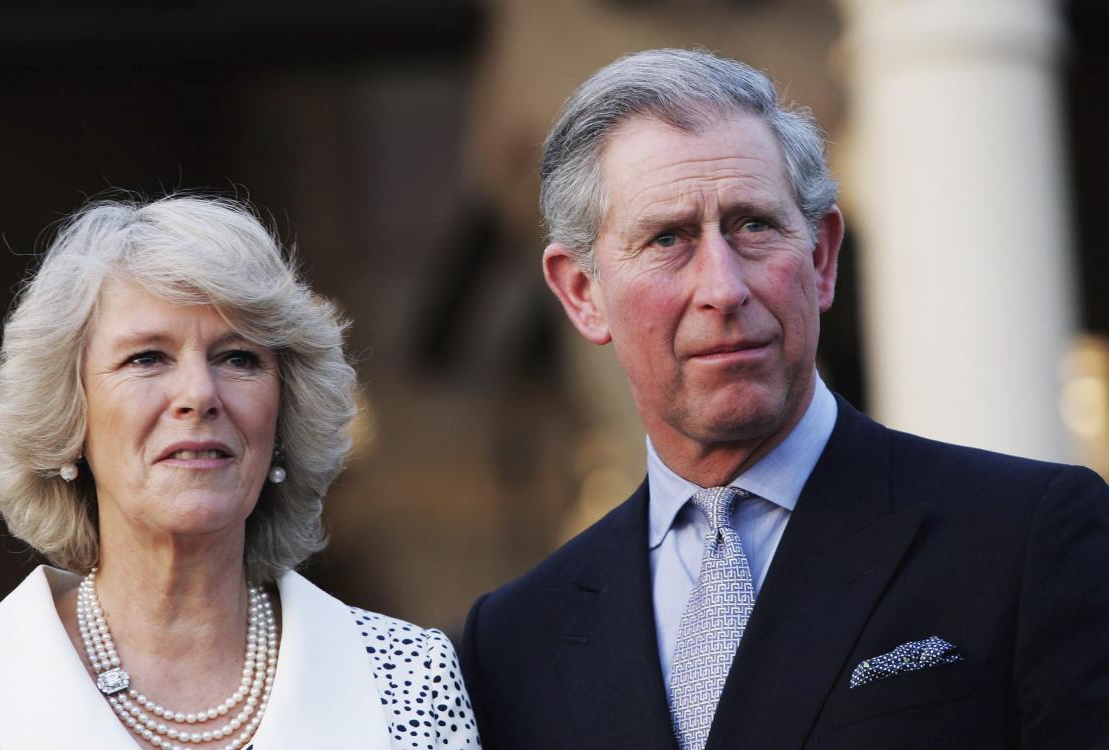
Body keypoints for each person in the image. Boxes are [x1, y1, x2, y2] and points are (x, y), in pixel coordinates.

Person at [460, 48, 1109, 750]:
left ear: (822, 257)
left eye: (753, 226)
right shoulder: (515, 638)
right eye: (668, 238)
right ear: (583, 294)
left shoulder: (1023, 535)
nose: (724, 287)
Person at [0, 195, 479, 750]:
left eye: (238, 358)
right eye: (147, 358)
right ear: (68, 417)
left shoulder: (407, 678)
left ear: (284, 413)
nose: (198, 394)